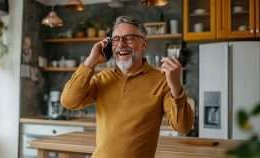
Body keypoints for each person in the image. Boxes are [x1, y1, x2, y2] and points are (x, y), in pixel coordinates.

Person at [60, 16, 194, 158]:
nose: (121, 44)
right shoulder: (102, 79)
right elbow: (68, 102)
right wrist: (90, 62)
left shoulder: (162, 80)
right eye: (116, 39)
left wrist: (175, 85)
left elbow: (183, 127)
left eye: (129, 38)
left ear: (143, 44)